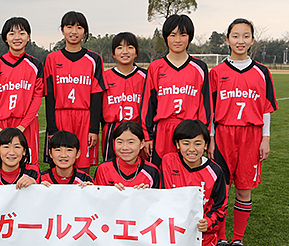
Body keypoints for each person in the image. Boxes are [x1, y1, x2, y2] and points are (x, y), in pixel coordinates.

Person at [208, 18, 277, 246]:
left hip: (251, 135)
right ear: (227, 39)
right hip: (223, 134)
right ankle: (220, 238)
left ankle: (238, 239)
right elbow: (210, 110)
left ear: (252, 40)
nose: (240, 41)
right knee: (222, 189)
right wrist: (211, 138)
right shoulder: (216, 73)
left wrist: (265, 138)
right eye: (235, 36)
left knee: (244, 189)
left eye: (245, 36)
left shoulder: (262, 72)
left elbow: (266, 108)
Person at [160, 120, 227, 246]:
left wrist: (208, 222)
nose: (191, 149)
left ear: (206, 145)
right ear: (177, 144)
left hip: (201, 234)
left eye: (197, 143)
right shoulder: (168, 161)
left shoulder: (215, 171)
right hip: (170, 231)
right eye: (186, 143)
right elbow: (157, 194)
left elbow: (220, 207)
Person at [140, 14, 211, 166]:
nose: (178, 40)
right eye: (173, 35)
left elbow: (205, 105)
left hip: (190, 131)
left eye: (183, 35)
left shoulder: (200, 68)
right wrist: (147, 136)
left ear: (189, 37)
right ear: (166, 37)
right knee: (161, 173)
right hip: (163, 130)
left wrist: (203, 135)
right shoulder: (155, 67)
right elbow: (148, 104)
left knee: (188, 173)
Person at [44, 11, 105, 173]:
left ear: (85, 32)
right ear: (62, 30)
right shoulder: (52, 59)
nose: (74, 31)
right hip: (60, 117)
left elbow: (96, 95)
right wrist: (52, 128)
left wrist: (93, 129)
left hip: (84, 118)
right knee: (58, 165)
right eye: (69, 27)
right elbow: (49, 95)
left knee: (83, 168)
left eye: (79, 27)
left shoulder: (94, 59)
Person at [0, 17, 44, 167]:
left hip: (27, 124)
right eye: (12, 33)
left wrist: (22, 126)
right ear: (5, 38)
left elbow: (37, 99)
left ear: (28, 37)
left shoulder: (36, 65)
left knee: (29, 166)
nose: (17, 37)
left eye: (21, 33)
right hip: (2, 124)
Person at [100, 32, 147, 162]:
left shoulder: (146, 77)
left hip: (138, 128)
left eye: (130, 47)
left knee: (139, 165)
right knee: (111, 166)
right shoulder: (105, 77)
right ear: (113, 53)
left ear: (136, 53)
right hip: (112, 129)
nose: (125, 51)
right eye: (120, 47)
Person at [94, 121, 160, 189]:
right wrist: (112, 191)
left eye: (131, 142)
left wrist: (147, 192)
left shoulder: (152, 171)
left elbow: (158, 195)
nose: (125, 147)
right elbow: (97, 194)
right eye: (120, 142)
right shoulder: (103, 169)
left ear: (142, 144)